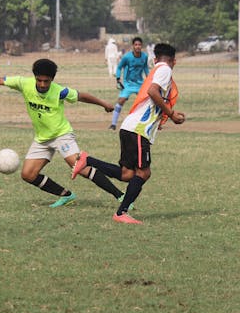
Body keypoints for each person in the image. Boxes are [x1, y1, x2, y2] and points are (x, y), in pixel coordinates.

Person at [0, 59, 128, 208]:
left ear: (52, 79)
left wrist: (104, 104)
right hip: (42, 139)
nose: (42, 84)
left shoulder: (60, 91)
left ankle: (120, 195)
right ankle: (66, 195)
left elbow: (82, 96)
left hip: (62, 135)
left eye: (46, 81)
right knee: (28, 175)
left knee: (78, 167)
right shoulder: (24, 83)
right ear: (34, 77)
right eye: (39, 80)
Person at [72, 43, 186, 224]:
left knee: (127, 174)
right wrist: (171, 114)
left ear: (154, 59)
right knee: (143, 173)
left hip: (130, 127)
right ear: (174, 61)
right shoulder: (165, 70)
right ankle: (121, 213)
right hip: (137, 130)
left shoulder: (156, 69)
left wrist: (161, 119)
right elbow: (152, 92)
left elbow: (151, 99)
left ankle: (88, 160)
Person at [109, 37, 150, 130]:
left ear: (141, 46)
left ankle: (145, 123)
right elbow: (119, 67)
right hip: (128, 84)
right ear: (133, 46)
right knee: (121, 100)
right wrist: (118, 79)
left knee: (145, 102)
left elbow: (145, 68)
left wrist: (149, 79)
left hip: (139, 83)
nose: (138, 46)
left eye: (139, 45)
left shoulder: (144, 56)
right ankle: (113, 124)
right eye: (136, 45)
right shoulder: (127, 57)